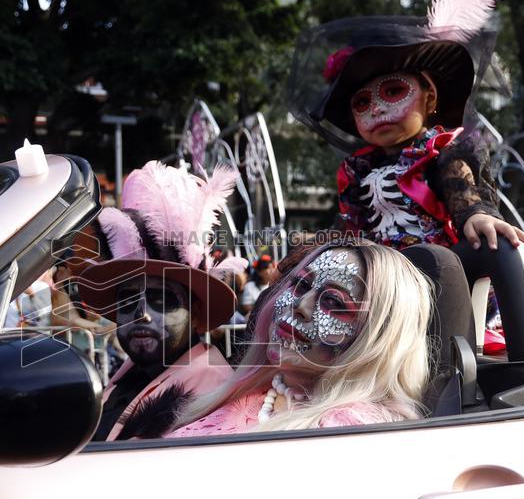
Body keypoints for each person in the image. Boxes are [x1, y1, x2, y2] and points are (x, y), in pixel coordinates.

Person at [287, 0, 524, 254]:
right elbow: (349, 230)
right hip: (378, 281)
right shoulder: (360, 173)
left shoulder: (442, 154)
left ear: (429, 97)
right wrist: (314, 243)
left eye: (393, 91)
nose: (376, 108)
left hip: (439, 279)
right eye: (362, 103)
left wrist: (476, 215)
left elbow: (465, 195)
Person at [168, 243, 432, 437]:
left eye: (332, 301)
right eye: (301, 285)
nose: (301, 305)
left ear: (377, 337)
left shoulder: (355, 434)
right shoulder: (248, 394)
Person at [78, 161, 245, 441]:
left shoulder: (207, 388)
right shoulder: (137, 369)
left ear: (194, 313)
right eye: (128, 300)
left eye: (162, 300)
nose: (141, 314)